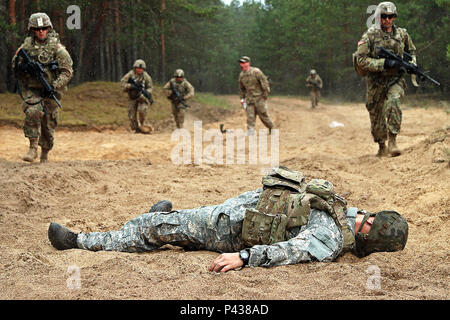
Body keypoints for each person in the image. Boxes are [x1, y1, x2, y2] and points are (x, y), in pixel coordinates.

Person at [48, 166, 408, 272]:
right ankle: (164, 221)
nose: (362, 216)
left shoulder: (328, 237)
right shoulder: (340, 212)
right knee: (176, 222)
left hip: (228, 229)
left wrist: (244, 257)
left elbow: (289, 251)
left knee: (154, 229)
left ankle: (80, 241)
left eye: (367, 224)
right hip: (237, 209)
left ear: (365, 241)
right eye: (370, 215)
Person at [353, 2, 417, 157]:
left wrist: (410, 65)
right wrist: (383, 63)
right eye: (384, 16)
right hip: (376, 81)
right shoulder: (370, 35)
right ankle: (381, 144)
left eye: (391, 16)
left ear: (395, 17)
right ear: (378, 17)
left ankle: (393, 141)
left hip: (395, 79)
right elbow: (360, 59)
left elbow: (412, 52)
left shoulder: (402, 34)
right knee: (376, 113)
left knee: (394, 102)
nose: (387, 20)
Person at [12, 12, 73, 163]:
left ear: (49, 28)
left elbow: (67, 71)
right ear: (32, 30)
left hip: (51, 91)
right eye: (37, 28)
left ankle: (45, 152)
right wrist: (24, 67)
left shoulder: (57, 48)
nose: (41, 31)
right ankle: (33, 147)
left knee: (48, 124)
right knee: (33, 111)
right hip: (33, 89)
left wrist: (54, 86)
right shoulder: (25, 47)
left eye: (44, 28)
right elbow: (15, 65)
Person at [238, 56, 274, 136]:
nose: (242, 65)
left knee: (263, 116)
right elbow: (241, 88)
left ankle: (271, 127)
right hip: (249, 100)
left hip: (259, 98)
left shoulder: (256, 72)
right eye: (241, 63)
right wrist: (242, 99)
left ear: (248, 63)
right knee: (250, 117)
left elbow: (264, 83)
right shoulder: (241, 75)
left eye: (244, 63)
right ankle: (250, 132)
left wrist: (265, 95)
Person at [120, 59, 154, 134]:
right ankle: (136, 129)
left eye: (141, 69)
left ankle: (143, 125)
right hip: (132, 97)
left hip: (142, 97)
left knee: (142, 110)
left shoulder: (146, 76)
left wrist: (146, 92)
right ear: (135, 68)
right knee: (131, 115)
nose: (139, 70)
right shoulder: (130, 75)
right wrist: (131, 86)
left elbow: (150, 87)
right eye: (138, 68)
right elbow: (122, 84)